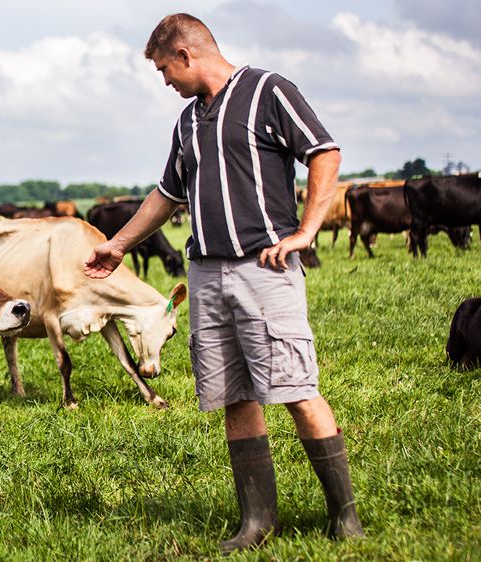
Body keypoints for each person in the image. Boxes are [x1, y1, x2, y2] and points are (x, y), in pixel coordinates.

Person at [84, 13, 364, 554]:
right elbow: (166, 194)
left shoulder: (268, 91)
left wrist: (306, 231)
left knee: (297, 388)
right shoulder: (188, 121)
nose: (166, 82)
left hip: (264, 269)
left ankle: (344, 517)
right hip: (206, 272)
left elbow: (324, 152)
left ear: (186, 56)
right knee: (233, 394)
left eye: (166, 71)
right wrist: (118, 244)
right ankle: (256, 521)